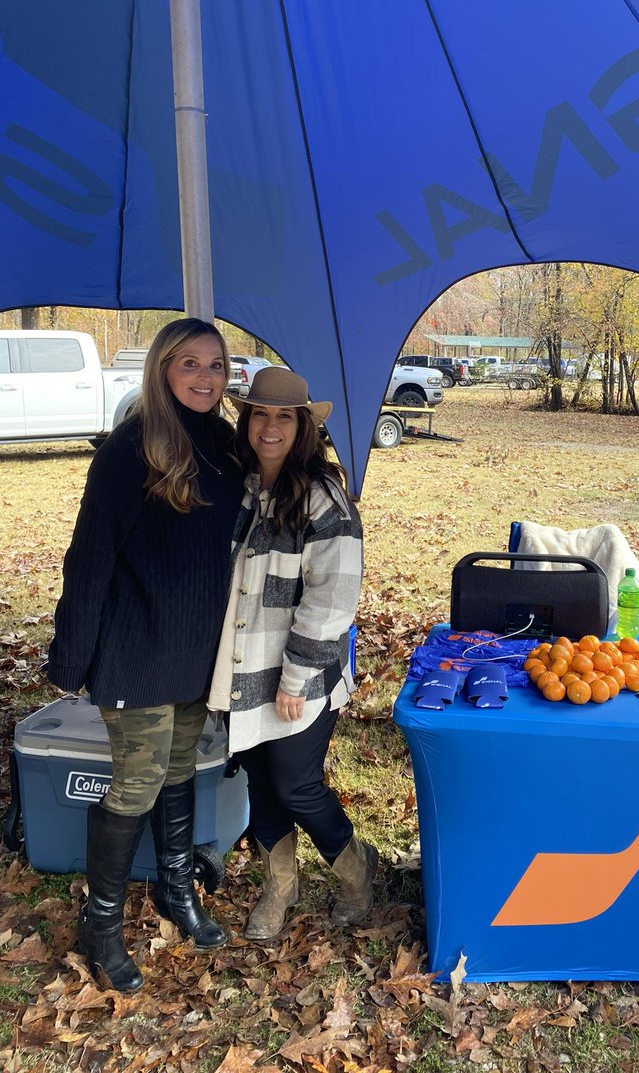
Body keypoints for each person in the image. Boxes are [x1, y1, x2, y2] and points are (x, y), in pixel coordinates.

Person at [47, 318, 244, 993]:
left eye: (215, 365)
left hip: (195, 647)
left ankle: (175, 888)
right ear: (162, 370)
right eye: (190, 363)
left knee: (179, 768)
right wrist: (71, 657)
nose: (205, 377)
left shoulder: (226, 446)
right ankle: (100, 924)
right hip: (135, 648)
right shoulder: (130, 450)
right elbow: (89, 558)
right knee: (138, 781)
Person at [208, 366, 373, 939]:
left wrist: (295, 677)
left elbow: (331, 600)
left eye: (284, 416)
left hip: (298, 672)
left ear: (303, 427)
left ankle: (356, 871)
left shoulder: (325, 500)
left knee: (296, 785)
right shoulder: (239, 486)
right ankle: (280, 886)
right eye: (260, 413)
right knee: (260, 780)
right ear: (247, 420)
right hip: (239, 665)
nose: (270, 426)